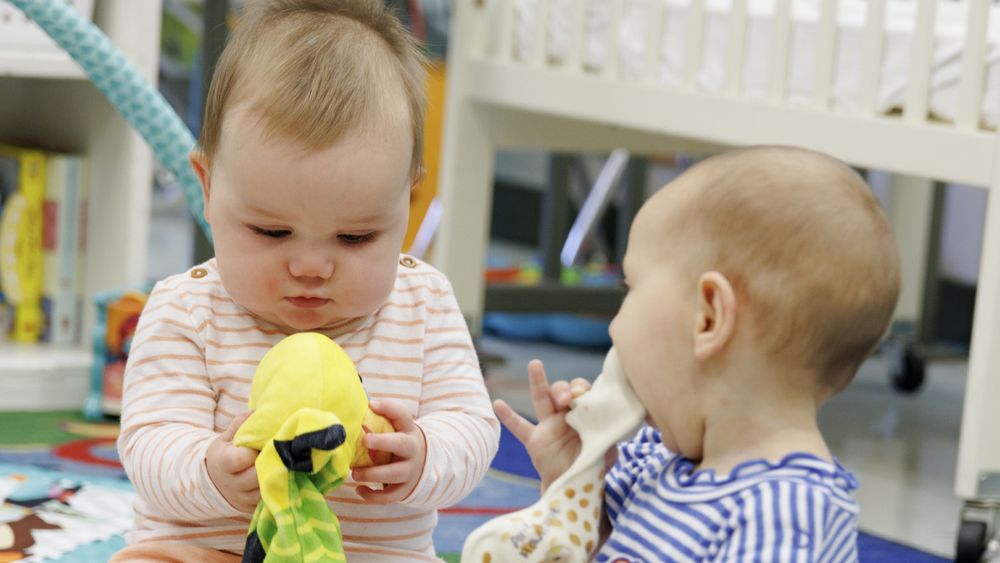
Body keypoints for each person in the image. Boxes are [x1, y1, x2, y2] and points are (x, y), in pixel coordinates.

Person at [113, 1, 499, 560]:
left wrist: (423, 454)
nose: (311, 267)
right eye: (272, 232)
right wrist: (208, 469)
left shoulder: (424, 304)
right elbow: (149, 440)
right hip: (209, 550)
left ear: (406, 201)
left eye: (355, 237)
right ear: (208, 187)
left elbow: (472, 426)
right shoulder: (187, 309)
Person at [496, 145, 900, 561]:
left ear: (708, 317)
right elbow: (592, 549)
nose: (615, 324)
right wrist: (572, 480)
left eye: (629, 288)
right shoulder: (653, 457)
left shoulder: (784, 513)